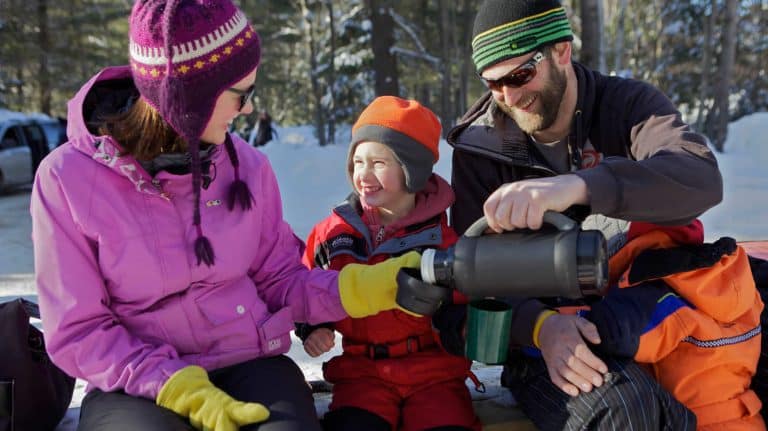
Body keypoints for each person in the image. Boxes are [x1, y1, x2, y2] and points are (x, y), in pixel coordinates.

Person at [30, 1, 419, 431]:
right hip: (135, 380)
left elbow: (279, 280)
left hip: (247, 363)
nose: (248, 109)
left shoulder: (247, 167)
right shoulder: (67, 178)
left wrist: (367, 286)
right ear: (191, 96)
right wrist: (175, 386)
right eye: (241, 94)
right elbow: (78, 328)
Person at [439, 0, 765, 429]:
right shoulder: (481, 149)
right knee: (625, 408)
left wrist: (580, 186)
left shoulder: (627, 107)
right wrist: (538, 326)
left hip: (649, 305)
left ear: (561, 51)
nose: (508, 97)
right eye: (493, 83)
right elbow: (473, 278)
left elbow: (700, 177)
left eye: (519, 75)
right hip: (550, 334)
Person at [296, 96, 480, 431]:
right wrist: (313, 327)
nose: (364, 174)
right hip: (362, 376)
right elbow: (302, 285)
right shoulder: (333, 234)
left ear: (412, 170)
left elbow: (465, 306)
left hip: (434, 375)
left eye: (379, 163)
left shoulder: (443, 241)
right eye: (358, 161)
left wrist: (457, 323)